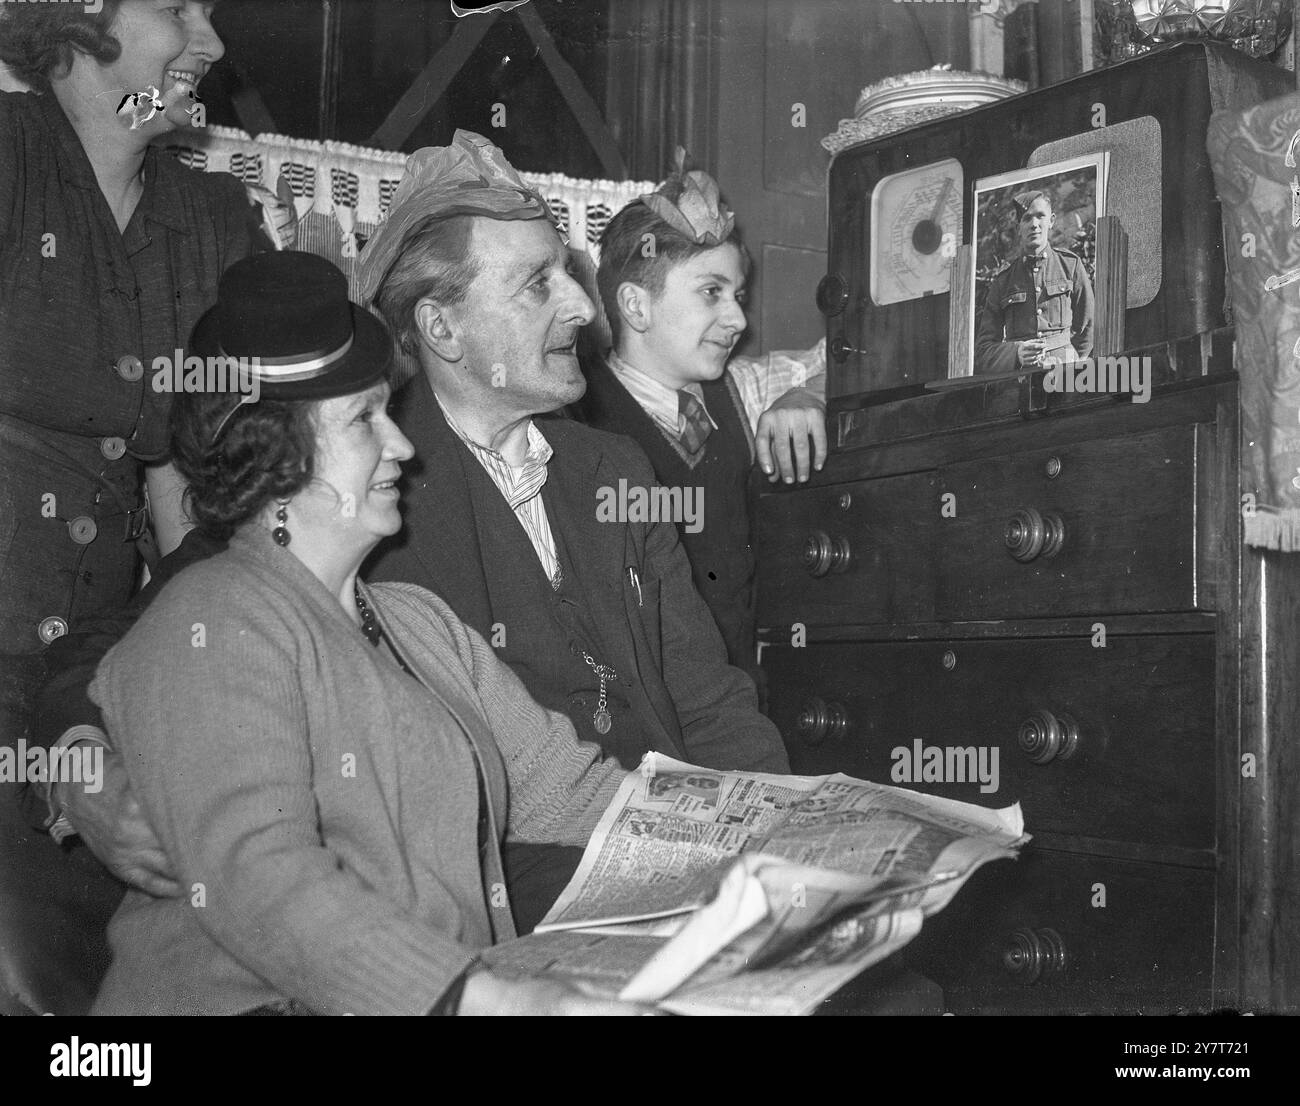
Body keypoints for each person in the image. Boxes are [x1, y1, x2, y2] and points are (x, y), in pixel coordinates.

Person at [32, 131, 789, 945]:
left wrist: (781, 835)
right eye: (540, 283)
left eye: (567, 272)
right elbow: (116, 649)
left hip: (660, 848)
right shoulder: (348, 489)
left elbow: (708, 699)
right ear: (443, 327)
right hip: (498, 898)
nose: (581, 306)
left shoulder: (618, 467)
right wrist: (82, 775)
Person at [89, 249, 645, 1015]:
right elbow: (262, 882)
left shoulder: (417, 623)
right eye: (364, 421)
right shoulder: (211, 620)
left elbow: (570, 790)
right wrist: (490, 1000)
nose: (403, 447)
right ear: (275, 453)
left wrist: (772, 832)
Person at [0, 0, 260, 1016]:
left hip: (101, 665)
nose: (213, 42)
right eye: (178, 7)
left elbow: (194, 486)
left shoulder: (210, 221)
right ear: (75, 15)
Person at [578, 150, 826, 677]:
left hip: (745, 700)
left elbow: (853, 354)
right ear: (636, 306)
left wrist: (811, 394)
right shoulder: (576, 420)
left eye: (737, 294)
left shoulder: (742, 389)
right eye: (711, 293)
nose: (737, 318)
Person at [974, 189, 1094, 376]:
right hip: (1020, 381)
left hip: (1066, 376)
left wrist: (1071, 361)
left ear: (1051, 220)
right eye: (1027, 218)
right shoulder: (1003, 281)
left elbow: (1088, 327)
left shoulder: (1070, 266)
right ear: (1018, 226)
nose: (1034, 224)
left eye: (1040, 216)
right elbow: (984, 350)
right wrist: (1016, 353)